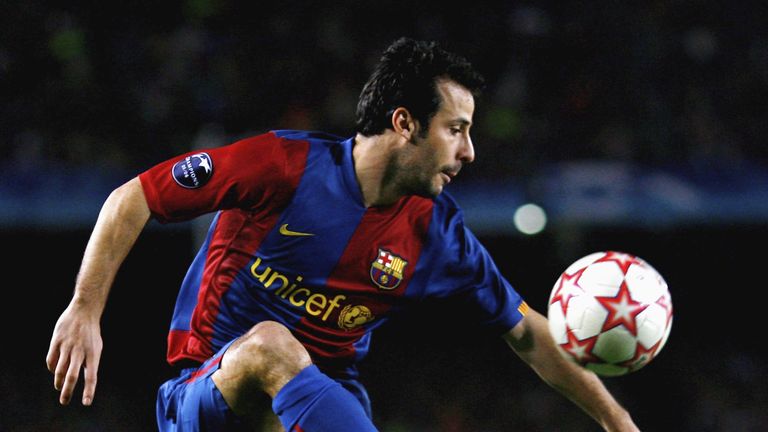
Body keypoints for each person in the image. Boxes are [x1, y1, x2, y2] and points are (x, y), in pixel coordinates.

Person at [47, 37, 640, 431]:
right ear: (404, 123)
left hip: (320, 410)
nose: (469, 151)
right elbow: (135, 198)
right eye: (455, 129)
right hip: (205, 398)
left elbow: (528, 333)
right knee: (269, 346)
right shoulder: (282, 166)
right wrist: (84, 307)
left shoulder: (435, 231)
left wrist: (619, 423)